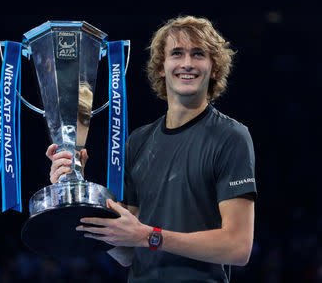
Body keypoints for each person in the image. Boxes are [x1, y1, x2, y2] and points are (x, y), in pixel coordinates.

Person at [46, 16, 257, 283]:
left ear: (214, 68)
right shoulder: (138, 141)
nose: (187, 63)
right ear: (161, 66)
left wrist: (149, 236)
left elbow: (238, 248)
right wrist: (76, 189)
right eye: (177, 53)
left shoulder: (231, 137)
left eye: (198, 54)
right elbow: (127, 251)